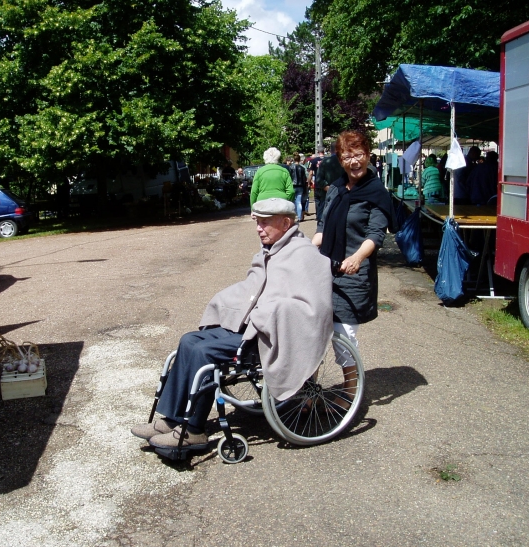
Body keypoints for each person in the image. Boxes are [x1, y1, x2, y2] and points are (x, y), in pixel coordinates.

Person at [131, 198, 333, 451]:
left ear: (286, 223)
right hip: (251, 325)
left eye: (265, 223)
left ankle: (193, 431)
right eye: (257, 223)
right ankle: (172, 419)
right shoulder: (268, 251)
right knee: (189, 340)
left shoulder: (304, 255)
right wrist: (225, 303)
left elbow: (314, 306)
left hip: (271, 334)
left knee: (204, 353)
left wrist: (268, 312)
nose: (259, 228)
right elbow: (251, 287)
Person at [311, 131, 395, 375]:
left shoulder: (377, 192)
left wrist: (357, 258)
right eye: (347, 156)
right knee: (314, 332)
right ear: (340, 160)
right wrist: (303, 249)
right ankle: (308, 394)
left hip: (353, 275)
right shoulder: (336, 188)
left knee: (342, 336)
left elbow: (376, 235)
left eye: (359, 154)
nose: (354, 161)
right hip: (326, 272)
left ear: (368, 155)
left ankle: (350, 393)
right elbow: (323, 228)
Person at [314, 141, 345, 224]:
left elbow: (319, 180)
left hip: (327, 196)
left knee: (324, 221)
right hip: (343, 195)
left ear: (331, 150)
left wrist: (330, 189)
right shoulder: (345, 162)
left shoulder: (325, 162)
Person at [289, 153, 308, 221]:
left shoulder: (291, 167)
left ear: (294, 159)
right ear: (300, 159)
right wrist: (304, 187)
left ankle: (295, 215)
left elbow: (290, 177)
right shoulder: (302, 168)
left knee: (293, 201)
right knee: (299, 201)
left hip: (293, 185)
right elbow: (304, 179)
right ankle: (300, 217)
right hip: (300, 186)